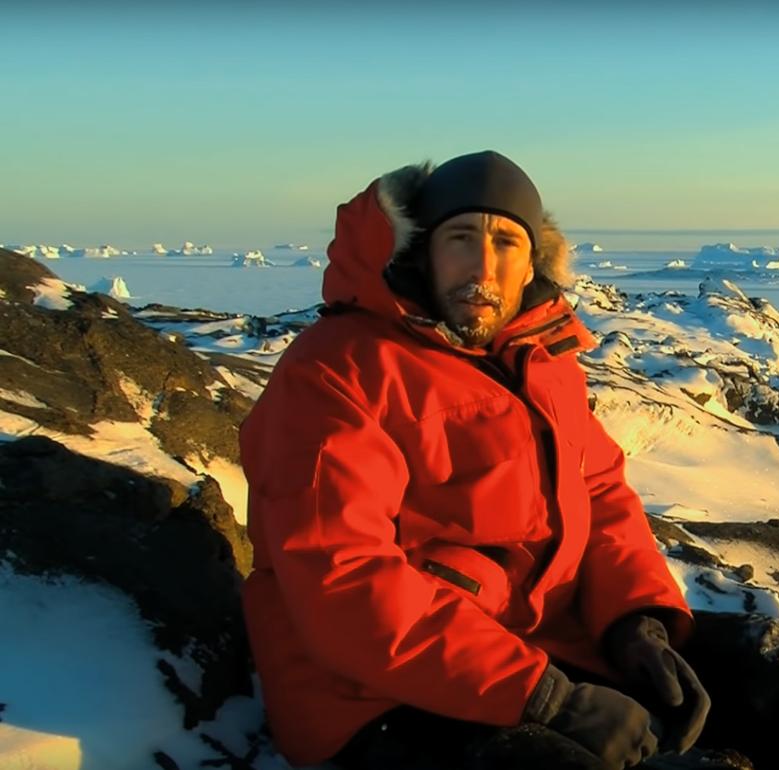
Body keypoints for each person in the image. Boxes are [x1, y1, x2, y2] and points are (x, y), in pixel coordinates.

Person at [238, 151, 711, 770]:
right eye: (461, 238)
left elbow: (599, 495)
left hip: (531, 646)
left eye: (507, 243)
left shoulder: (540, 364)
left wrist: (635, 621)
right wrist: (547, 698)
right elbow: (344, 578)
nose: (483, 267)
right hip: (372, 696)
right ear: (421, 250)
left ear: (531, 265)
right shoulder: (338, 369)